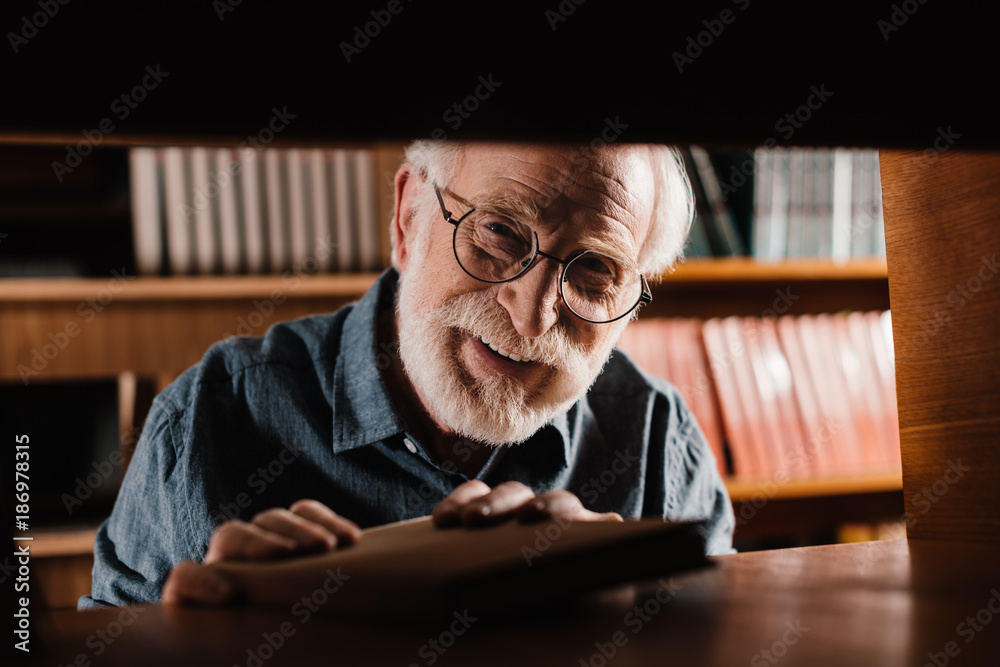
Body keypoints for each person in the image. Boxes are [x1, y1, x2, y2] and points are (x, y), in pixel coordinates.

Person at [80, 140, 734, 608]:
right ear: (406, 217)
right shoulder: (205, 422)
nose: (534, 318)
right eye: (501, 231)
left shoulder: (657, 441)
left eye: (596, 269)